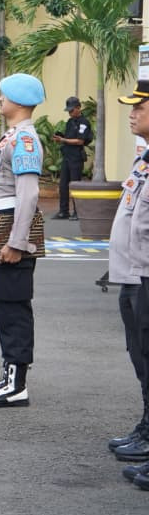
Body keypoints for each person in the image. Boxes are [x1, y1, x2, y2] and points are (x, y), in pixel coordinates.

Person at [0, 73, 46, 408]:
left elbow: (28, 195)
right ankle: (10, 379)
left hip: (10, 228)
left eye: (4, 95)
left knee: (13, 305)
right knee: (4, 302)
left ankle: (17, 385)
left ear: (18, 100)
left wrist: (17, 242)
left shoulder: (25, 140)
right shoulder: (12, 136)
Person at [104, 79, 149, 478]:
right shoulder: (145, 159)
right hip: (133, 276)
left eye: (140, 106)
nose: (132, 114)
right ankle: (148, 427)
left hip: (146, 275)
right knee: (141, 357)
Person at [52, 96, 93, 220]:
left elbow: (80, 141)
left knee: (75, 185)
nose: (70, 113)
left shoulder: (84, 122)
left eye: (71, 110)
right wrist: (60, 137)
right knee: (63, 185)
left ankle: (77, 212)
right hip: (67, 156)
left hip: (76, 157)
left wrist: (63, 140)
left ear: (78, 108)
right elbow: (69, 137)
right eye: (68, 111)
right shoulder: (70, 122)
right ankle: (64, 211)